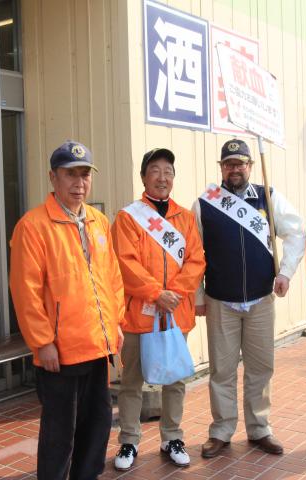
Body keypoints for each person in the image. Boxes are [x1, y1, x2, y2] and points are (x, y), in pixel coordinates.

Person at [9, 140, 125, 480]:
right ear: (53, 178)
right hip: (60, 352)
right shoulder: (33, 226)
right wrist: (42, 341)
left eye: (85, 175)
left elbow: (112, 278)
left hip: (97, 345)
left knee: (97, 426)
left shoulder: (99, 222)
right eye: (70, 175)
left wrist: (116, 323)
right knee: (60, 435)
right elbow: (25, 291)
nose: (79, 183)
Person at [193, 138, 306, 458]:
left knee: (260, 367)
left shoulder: (268, 197)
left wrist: (285, 272)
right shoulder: (206, 202)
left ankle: (259, 428)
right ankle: (222, 430)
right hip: (220, 300)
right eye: (228, 164)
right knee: (222, 370)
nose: (234, 169)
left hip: (260, 298)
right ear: (221, 168)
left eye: (240, 163)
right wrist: (198, 295)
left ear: (250, 167)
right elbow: (193, 254)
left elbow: (296, 234)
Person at [111, 148, 206, 471]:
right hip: (140, 314)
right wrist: (156, 293)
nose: (162, 177)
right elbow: (125, 262)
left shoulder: (185, 218)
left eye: (168, 171)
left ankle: (172, 437)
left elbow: (196, 260)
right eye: (155, 170)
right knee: (132, 381)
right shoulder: (128, 217)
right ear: (143, 177)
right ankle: (129, 441)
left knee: (175, 379)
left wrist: (174, 294)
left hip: (175, 313)